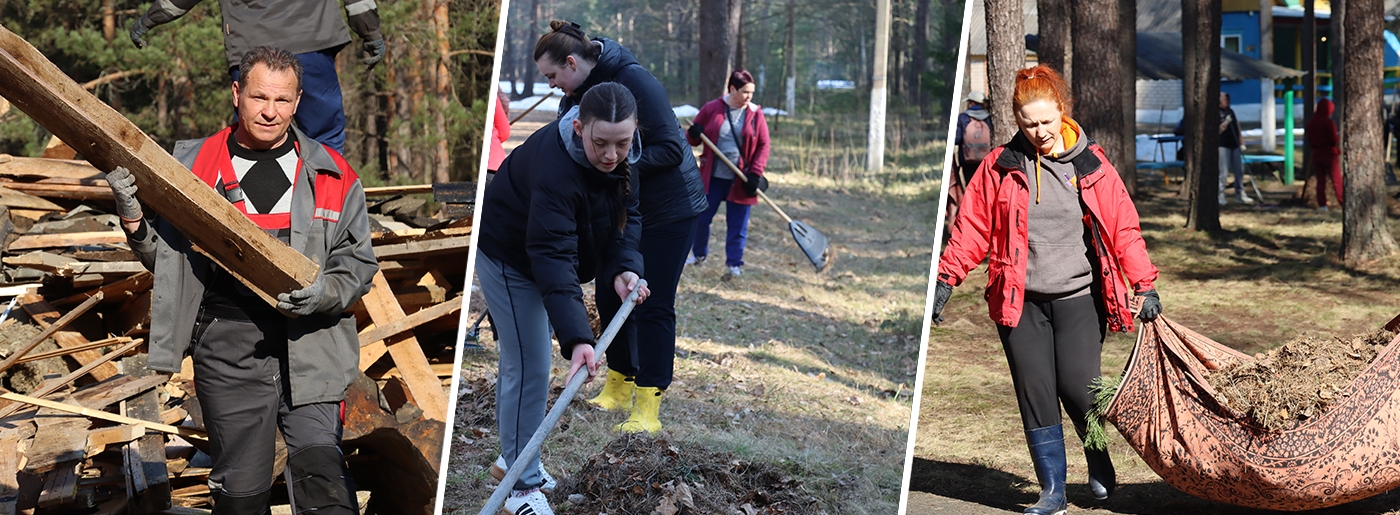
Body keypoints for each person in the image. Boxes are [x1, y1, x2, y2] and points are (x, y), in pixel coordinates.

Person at [107, 47, 378, 514]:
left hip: (313, 344)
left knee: (325, 488)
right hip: (227, 348)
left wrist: (323, 293)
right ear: (237, 94)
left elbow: (358, 263)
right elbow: (171, 263)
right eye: (258, 97)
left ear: (297, 102)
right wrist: (135, 222)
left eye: (282, 100)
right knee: (241, 495)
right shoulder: (191, 168)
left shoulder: (332, 172)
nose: (270, 112)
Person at [928, 65, 1162, 515]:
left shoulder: (1090, 163)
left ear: (1062, 111)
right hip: (1020, 301)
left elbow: (1123, 228)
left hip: (1079, 297)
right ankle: (1052, 490)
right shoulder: (1001, 165)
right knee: (1035, 392)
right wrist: (945, 278)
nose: (1039, 132)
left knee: (1078, 388)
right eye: (1028, 124)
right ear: (1017, 120)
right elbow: (972, 228)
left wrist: (1144, 284)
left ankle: (1097, 454)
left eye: (1046, 122)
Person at [476, 83, 650, 515]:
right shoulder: (555, 170)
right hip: (509, 257)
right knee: (530, 363)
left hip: (542, 256)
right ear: (578, 128)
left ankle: (515, 459)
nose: (612, 155)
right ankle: (521, 490)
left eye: (622, 143)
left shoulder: (627, 159)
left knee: (527, 362)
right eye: (601, 143)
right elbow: (552, 256)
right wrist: (577, 339)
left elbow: (625, 222)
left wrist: (626, 268)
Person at [534, 21, 707, 434]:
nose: (553, 84)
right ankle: (619, 382)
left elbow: (667, 147)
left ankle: (648, 404)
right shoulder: (578, 94)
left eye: (553, 75)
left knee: (652, 302)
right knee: (610, 293)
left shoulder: (635, 82)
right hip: (625, 207)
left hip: (670, 210)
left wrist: (614, 165)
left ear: (572, 62)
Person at [129, 0, 385, 153]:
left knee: (251, 135)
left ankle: (248, 214)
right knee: (325, 136)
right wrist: (371, 32)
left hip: (253, 48)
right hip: (312, 42)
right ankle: (331, 207)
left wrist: (149, 20)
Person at [685, 69, 771, 278]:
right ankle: (698, 255)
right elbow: (692, 139)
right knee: (702, 219)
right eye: (745, 92)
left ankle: (734, 264)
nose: (749, 97)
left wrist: (756, 174)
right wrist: (694, 133)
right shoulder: (712, 108)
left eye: (751, 92)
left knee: (737, 225)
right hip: (712, 178)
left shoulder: (754, 113)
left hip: (741, 180)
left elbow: (763, 144)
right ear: (732, 89)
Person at [947, 90, 993, 230]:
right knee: (986, 190)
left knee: (971, 190)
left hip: (968, 162)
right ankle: (987, 220)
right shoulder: (990, 117)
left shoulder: (963, 118)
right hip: (987, 161)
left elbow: (957, 139)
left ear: (972, 103)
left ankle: (973, 222)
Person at [1306, 98, 1343, 210]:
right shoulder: (1328, 122)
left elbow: (1310, 138)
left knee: (1321, 181)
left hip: (1317, 154)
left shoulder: (1311, 122)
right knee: (1337, 180)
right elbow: (1334, 139)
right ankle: (1343, 202)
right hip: (1329, 154)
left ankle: (1322, 205)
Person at [1218, 92, 1253, 205]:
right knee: (1223, 171)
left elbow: (1237, 127)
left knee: (1239, 170)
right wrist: (1225, 123)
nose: (1227, 101)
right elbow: (1217, 131)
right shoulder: (1216, 113)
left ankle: (1240, 193)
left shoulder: (1231, 111)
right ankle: (1220, 193)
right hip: (1223, 145)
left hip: (1235, 144)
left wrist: (1241, 142)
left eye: (1228, 99)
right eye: (1225, 99)